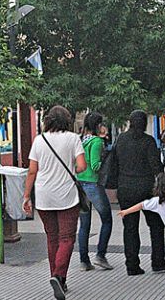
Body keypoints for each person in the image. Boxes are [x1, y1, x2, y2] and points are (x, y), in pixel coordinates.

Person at [22, 106, 86, 300]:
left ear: (48, 120)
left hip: (43, 197)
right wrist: (70, 170)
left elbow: (32, 171)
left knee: (52, 238)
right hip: (66, 196)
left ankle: (57, 278)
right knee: (67, 238)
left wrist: (26, 196)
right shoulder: (73, 138)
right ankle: (59, 276)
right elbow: (82, 166)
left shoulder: (39, 140)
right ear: (66, 120)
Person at [103, 110, 165, 275]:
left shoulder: (121, 140)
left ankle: (132, 265)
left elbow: (114, 165)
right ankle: (158, 261)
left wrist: (113, 187)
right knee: (156, 225)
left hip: (126, 188)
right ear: (144, 123)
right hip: (147, 188)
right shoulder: (148, 141)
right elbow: (156, 166)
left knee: (130, 228)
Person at [75, 112, 113, 271]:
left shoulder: (80, 140)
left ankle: (84, 260)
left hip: (79, 183)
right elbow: (96, 165)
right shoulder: (97, 142)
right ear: (98, 126)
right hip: (92, 184)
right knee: (107, 219)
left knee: (84, 224)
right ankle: (100, 255)